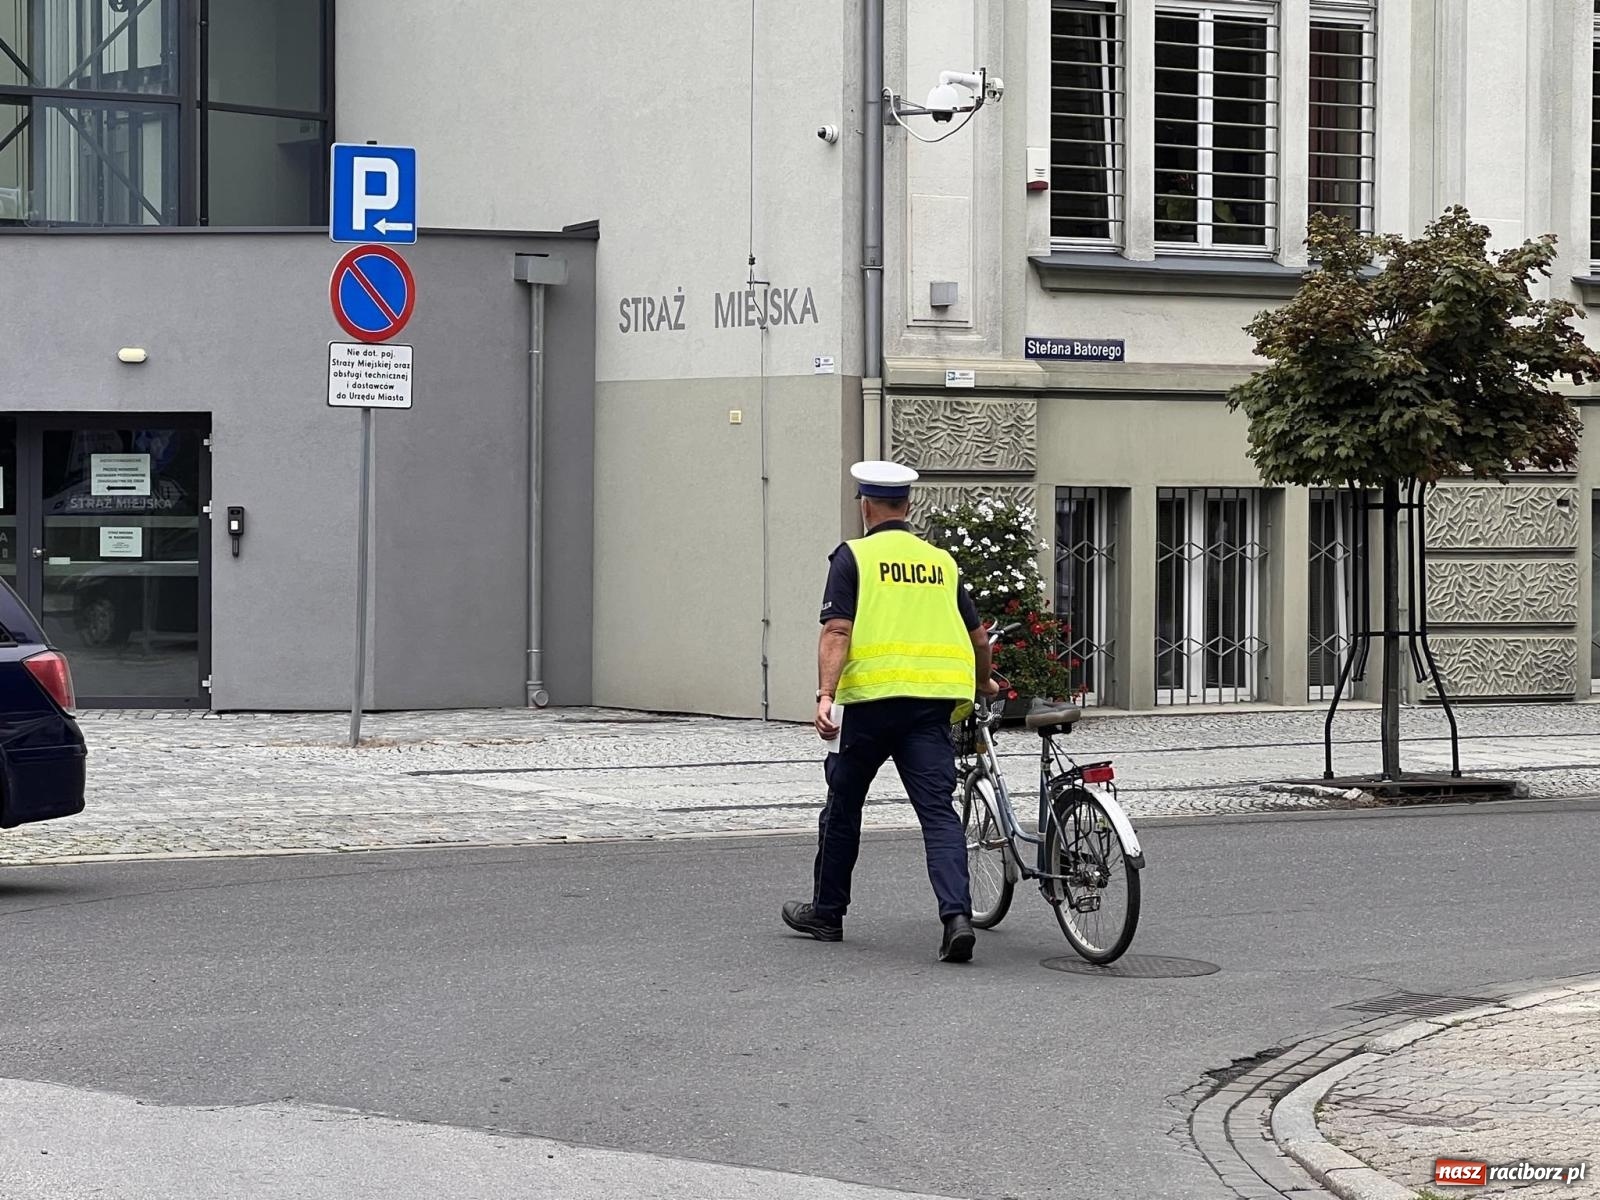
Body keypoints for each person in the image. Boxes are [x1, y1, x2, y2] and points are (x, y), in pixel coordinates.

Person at [782, 460, 998, 962]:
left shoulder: (852, 557)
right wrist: (982, 679)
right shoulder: (940, 562)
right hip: (930, 708)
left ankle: (828, 913)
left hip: (870, 708)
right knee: (938, 814)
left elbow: (837, 630)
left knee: (843, 806)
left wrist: (824, 695)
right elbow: (977, 636)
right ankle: (957, 918)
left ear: (866, 505)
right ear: (908, 506)